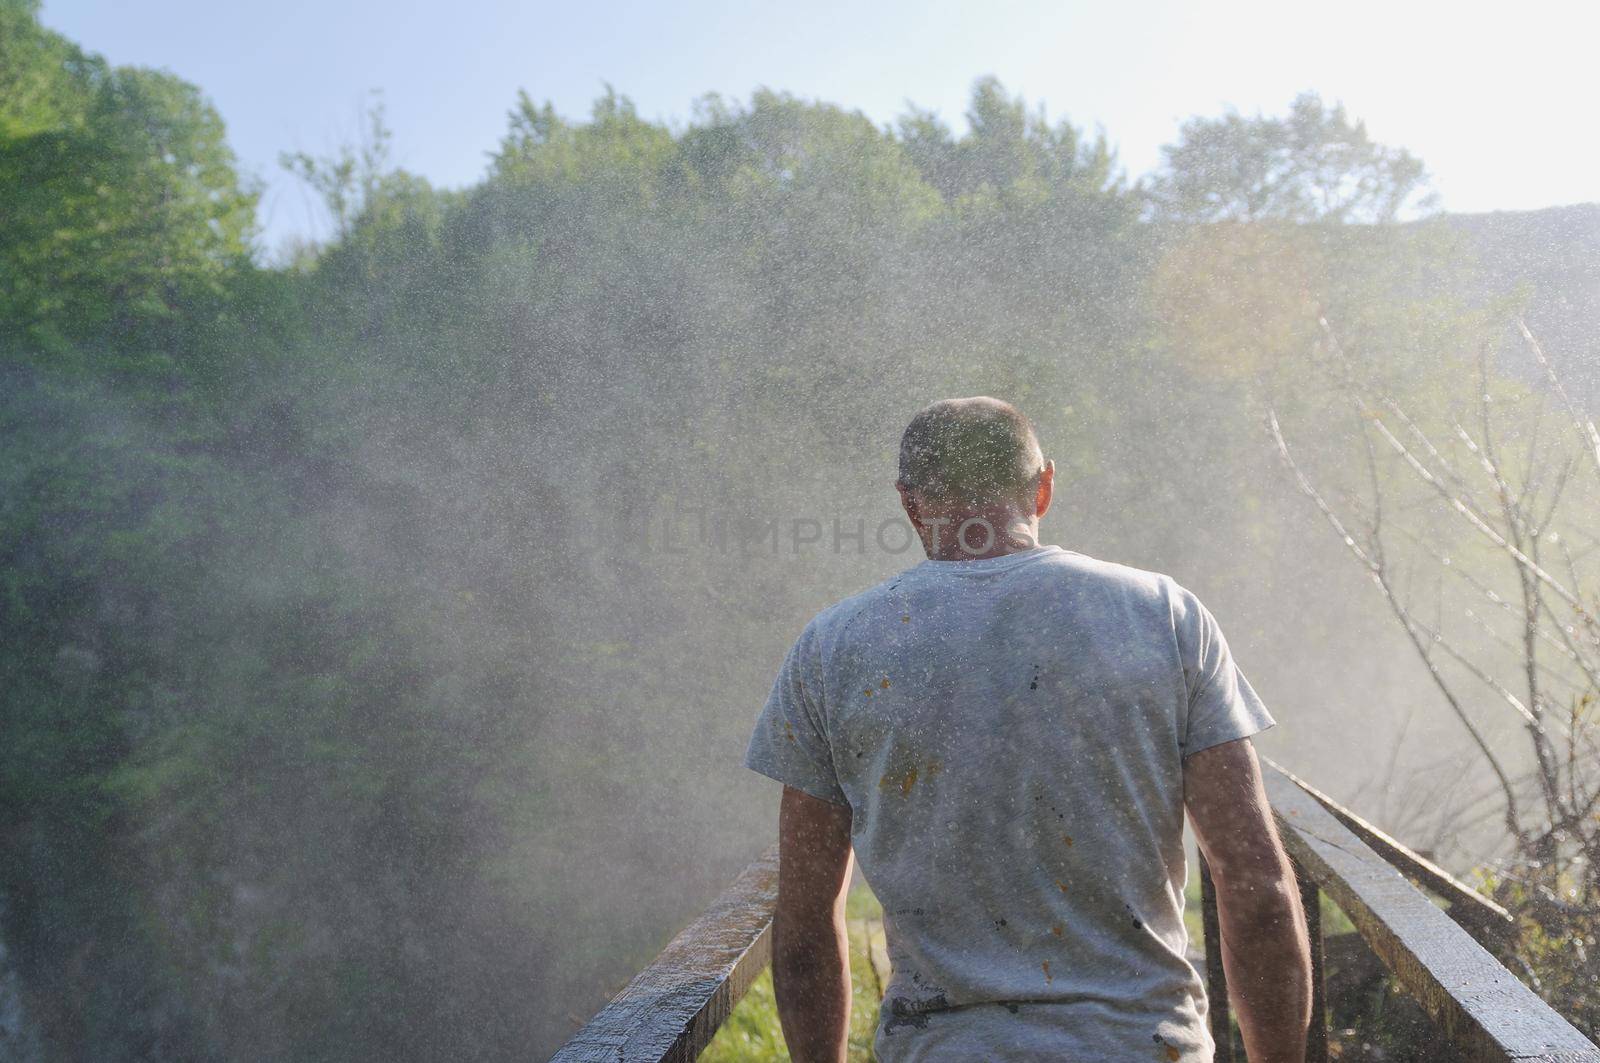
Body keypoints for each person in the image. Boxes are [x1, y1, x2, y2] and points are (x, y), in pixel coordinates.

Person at [743, 397, 1312, 1062]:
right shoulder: (1163, 616)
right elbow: (1254, 882)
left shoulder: (834, 648)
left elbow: (807, 920)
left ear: (909, 502)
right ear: (1043, 485)